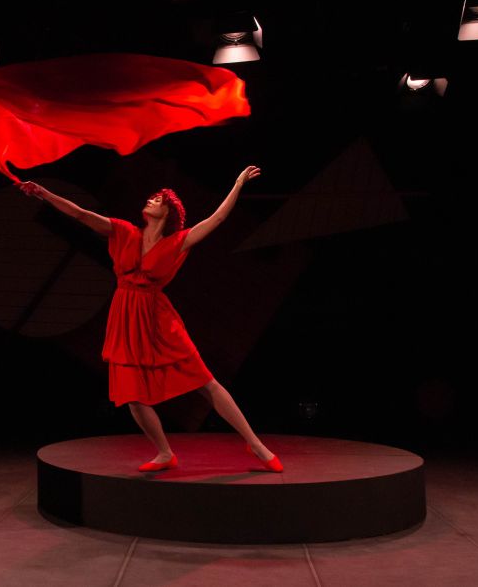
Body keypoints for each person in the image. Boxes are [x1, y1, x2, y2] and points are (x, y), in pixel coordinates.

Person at [19, 167, 283, 473]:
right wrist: (44, 194)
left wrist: (237, 184)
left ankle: (255, 444)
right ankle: (164, 453)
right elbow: (80, 214)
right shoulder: (124, 231)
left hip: (157, 318)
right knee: (132, 394)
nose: (151, 199)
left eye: (158, 199)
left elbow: (218, 219)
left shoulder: (177, 242)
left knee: (205, 382)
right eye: (153, 196)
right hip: (125, 316)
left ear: (168, 212)